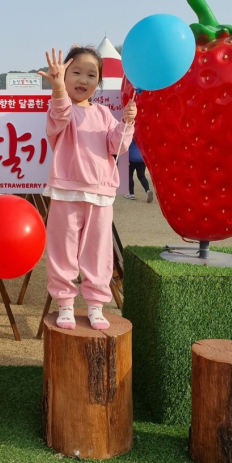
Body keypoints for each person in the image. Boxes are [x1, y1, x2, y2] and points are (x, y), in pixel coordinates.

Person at [38, 46, 137, 331]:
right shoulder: (61, 109)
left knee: (98, 252)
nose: (83, 80)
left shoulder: (104, 113)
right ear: (64, 76)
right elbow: (60, 112)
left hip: (100, 194)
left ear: (99, 82)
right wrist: (57, 86)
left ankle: (95, 306)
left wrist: (127, 122)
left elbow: (117, 145)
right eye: (76, 72)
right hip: (65, 192)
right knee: (62, 251)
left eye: (91, 75)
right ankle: (65, 305)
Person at [125, 138, 153, 203]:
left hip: (131, 158)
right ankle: (148, 190)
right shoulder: (143, 136)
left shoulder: (131, 136)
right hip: (142, 158)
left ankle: (131, 194)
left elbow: (126, 147)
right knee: (141, 176)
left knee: (129, 176)